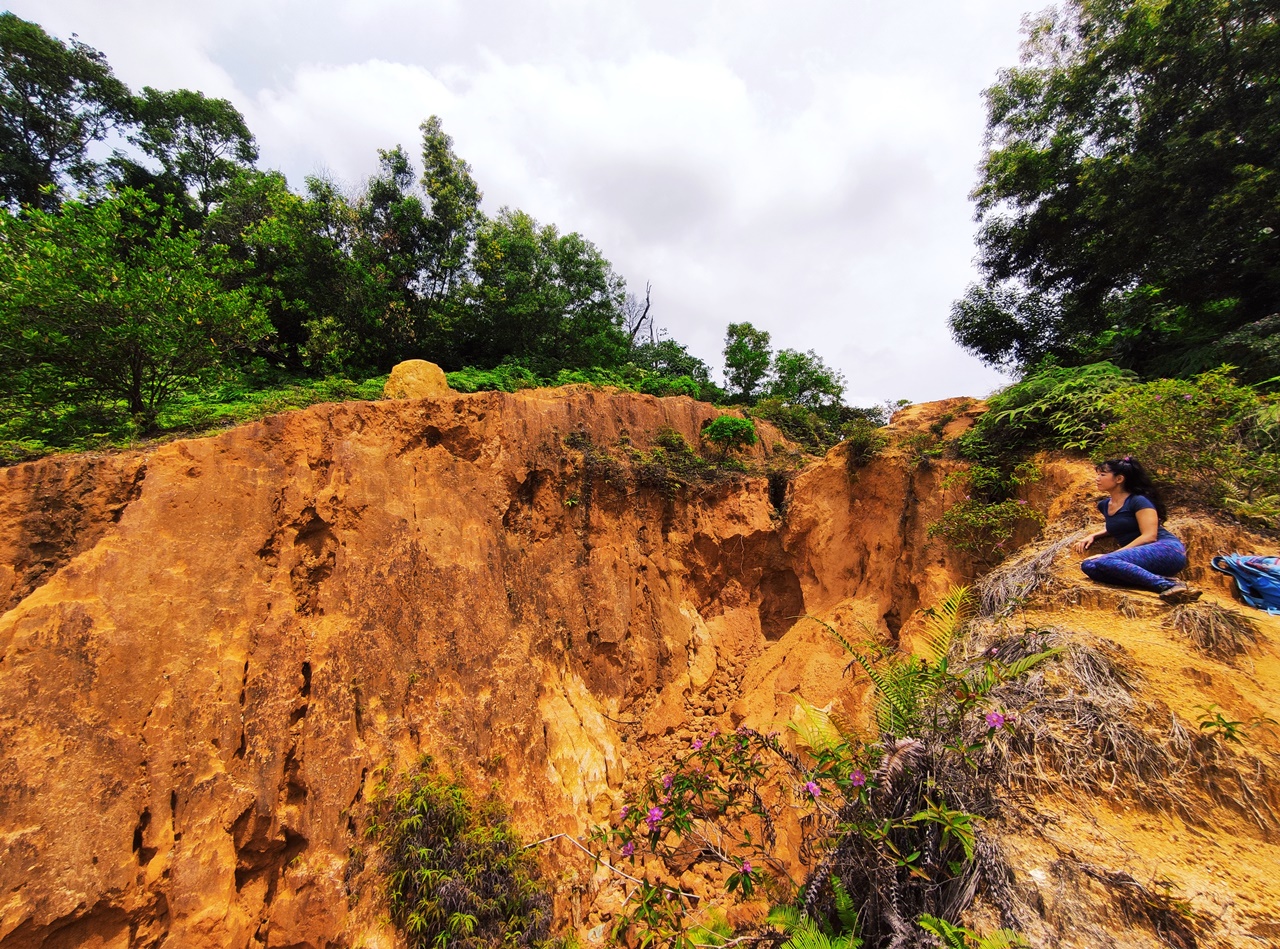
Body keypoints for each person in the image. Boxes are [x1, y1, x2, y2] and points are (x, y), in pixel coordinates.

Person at [1075, 456, 1201, 603]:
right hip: (1138, 559)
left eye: (1103, 475)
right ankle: (1160, 580)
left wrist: (1110, 555)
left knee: (1104, 561)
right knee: (1089, 566)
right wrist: (1093, 536)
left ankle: (1170, 586)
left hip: (1166, 550)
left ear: (1119, 479)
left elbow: (1149, 536)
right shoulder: (1104, 505)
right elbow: (1121, 525)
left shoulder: (1138, 501)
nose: (1097, 478)